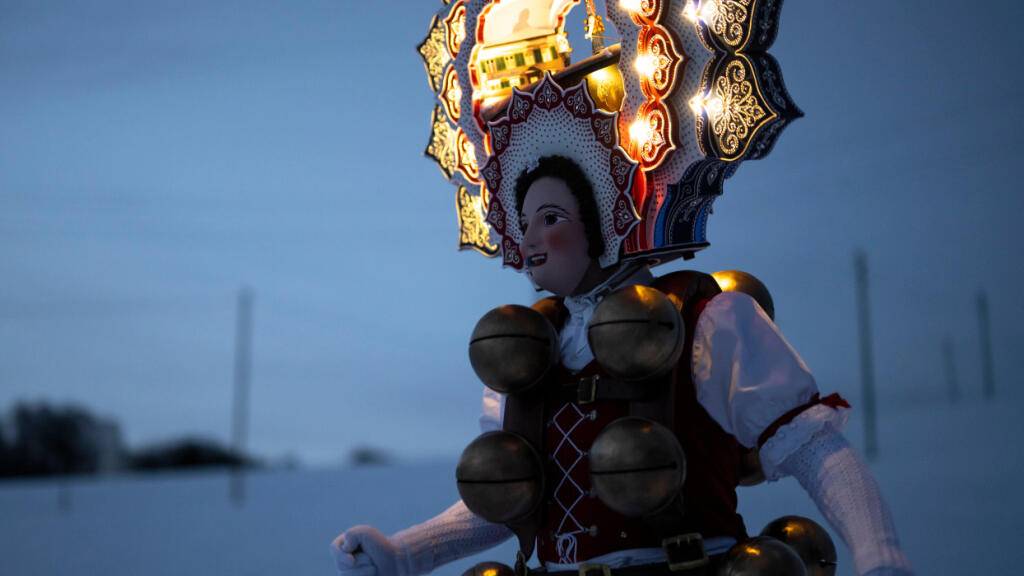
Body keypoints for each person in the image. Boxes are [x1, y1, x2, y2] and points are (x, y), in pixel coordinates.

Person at [332, 153, 914, 576]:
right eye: (526, 221)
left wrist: (878, 552)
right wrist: (407, 552)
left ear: (608, 221)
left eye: (553, 218)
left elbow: (815, 450)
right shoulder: (526, 351)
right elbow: (509, 496)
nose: (529, 239)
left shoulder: (710, 321)